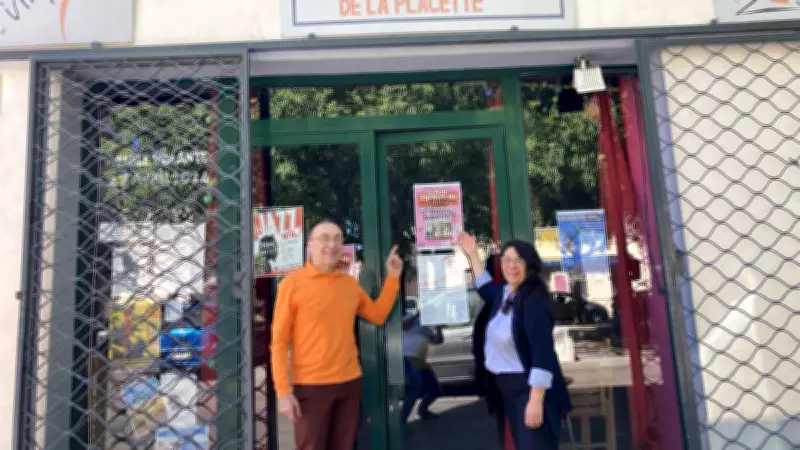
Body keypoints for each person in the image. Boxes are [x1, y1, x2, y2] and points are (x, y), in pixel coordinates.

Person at [270, 219, 404, 450]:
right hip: (311, 387)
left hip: (349, 383)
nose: (331, 244)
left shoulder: (348, 283)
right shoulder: (291, 285)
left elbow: (377, 314)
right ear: (310, 246)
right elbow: (279, 343)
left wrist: (393, 277)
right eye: (324, 238)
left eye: (337, 238)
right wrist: (283, 392)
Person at [458, 232, 572, 450]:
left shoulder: (534, 302)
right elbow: (484, 285)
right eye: (507, 260)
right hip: (507, 388)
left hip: (528, 389)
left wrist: (536, 400)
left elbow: (543, 354)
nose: (511, 266)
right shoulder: (505, 294)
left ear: (529, 265)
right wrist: (472, 253)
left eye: (518, 261)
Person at [401, 303, 444, 423]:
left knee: (435, 390)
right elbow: (402, 325)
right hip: (408, 358)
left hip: (420, 361)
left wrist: (439, 328)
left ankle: (423, 411)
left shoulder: (427, 328)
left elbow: (437, 340)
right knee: (415, 389)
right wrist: (418, 315)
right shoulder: (410, 320)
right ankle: (401, 419)